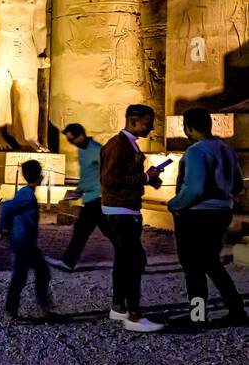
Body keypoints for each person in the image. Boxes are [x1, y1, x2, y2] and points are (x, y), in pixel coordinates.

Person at [165, 107, 248, 329]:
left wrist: (174, 205)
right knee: (212, 263)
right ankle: (237, 310)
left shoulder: (195, 151)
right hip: (221, 212)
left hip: (197, 214)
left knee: (193, 267)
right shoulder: (226, 149)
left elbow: (195, 188)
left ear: (188, 127)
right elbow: (239, 185)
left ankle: (198, 316)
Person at [99, 104, 165, 332]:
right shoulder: (118, 145)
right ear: (133, 121)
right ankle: (134, 315)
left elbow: (123, 176)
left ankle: (119, 307)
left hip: (121, 210)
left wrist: (148, 178)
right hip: (122, 212)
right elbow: (110, 180)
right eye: (148, 123)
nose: (151, 128)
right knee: (134, 262)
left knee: (124, 260)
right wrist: (145, 177)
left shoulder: (127, 144)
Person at [0, 159, 57, 321]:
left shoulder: (24, 192)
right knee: (31, 274)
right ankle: (24, 309)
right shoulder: (28, 195)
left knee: (30, 274)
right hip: (24, 243)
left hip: (23, 242)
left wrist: (6, 228)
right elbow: (7, 206)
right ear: (39, 176)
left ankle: (18, 310)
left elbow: (11, 210)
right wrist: (1, 229)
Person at [46, 123, 112, 271]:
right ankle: (69, 261)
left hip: (98, 197)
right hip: (91, 197)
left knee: (86, 231)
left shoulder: (96, 150)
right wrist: (79, 190)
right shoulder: (83, 150)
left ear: (81, 135)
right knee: (102, 232)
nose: (70, 143)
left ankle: (69, 261)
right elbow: (87, 174)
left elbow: (107, 171)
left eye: (72, 139)